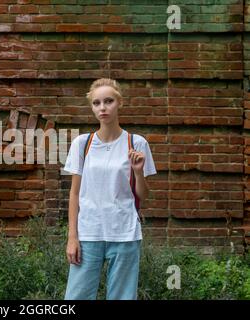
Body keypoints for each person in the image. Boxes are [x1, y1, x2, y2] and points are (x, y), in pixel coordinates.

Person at [63, 78, 157, 300]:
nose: (102, 108)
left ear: (119, 103)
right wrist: (72, 237)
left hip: (124, 233)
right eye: (96, 103)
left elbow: (144, 196)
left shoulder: (137, 143)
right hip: (88, 233)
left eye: (108, 101)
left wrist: (137, 172)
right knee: (76, 298)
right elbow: (74, 194)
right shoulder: (82, 144)